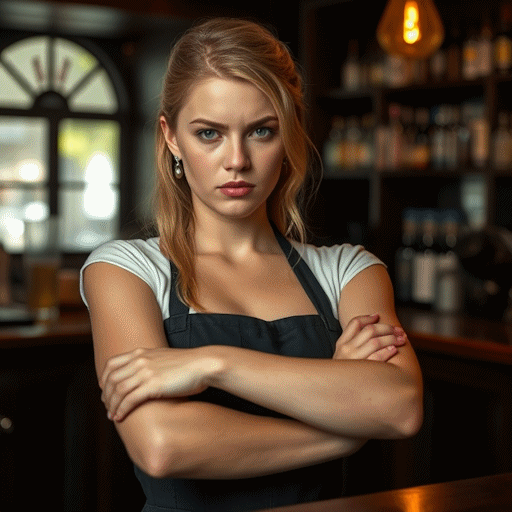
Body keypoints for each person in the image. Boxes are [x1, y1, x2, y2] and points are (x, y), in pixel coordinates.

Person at [80, 17, 423, 512]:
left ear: (288, 136)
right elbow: (162, 444)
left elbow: (400, 406)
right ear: (172, 137)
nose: (236, 159)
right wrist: (345, 428)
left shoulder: (349, 270)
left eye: (262, 131)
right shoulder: (125, 269)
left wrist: (211, 364)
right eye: (209, 134)